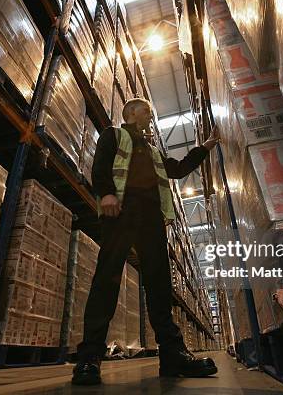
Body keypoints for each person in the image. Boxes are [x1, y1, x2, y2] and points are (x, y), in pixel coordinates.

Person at [72, 98, 221, 385]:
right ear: (130, 113)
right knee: (107, 279)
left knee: (160, 285)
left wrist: (206, 147)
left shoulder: (154, 152)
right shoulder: (114, 135)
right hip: (121, 212)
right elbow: (100, 165)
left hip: (151, 219)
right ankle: (89, 356)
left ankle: (173, 355)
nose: (150, 119)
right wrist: (106, 193)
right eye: (146, 113)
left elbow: (177, 169)